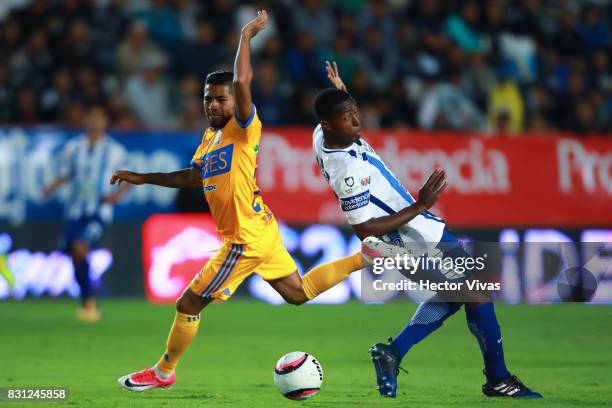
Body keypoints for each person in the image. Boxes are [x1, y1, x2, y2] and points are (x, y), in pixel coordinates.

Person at [112, 11, 392, 393]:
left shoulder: (243, 128)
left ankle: (163, 372)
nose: (213, 106)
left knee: (188, 304)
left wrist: (246, 35)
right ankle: (367, 256)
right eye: (208, 100)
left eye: (220, 100)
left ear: (234, 102)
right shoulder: (210, 140)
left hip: (242, 239)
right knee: (298, 293)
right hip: (260, 228)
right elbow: (193, 176)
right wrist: (142, 177)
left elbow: (243, 80)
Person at [311, 61, 542, 398]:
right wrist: (420, 205)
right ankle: (498, 379)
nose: (358, 121)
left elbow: (337, 112)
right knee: (476, 293)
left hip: (419, 233)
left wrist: (340, 90)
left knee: (459, 295)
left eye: (356, 112)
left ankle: (394, 352)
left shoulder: (322, 134)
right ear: (329, 123)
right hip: (408, 239)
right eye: (349, 117)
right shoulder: (346, 170)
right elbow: (365, 230)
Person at [43, 106, 130, 322]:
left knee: (80, 248)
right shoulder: (73, 148)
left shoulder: (115, 150)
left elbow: (128, 177)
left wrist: (117, 196)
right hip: (75, 209)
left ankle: (90, 298)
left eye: (99, 118)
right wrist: (50, 188)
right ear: (86, 121)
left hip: (99, 211)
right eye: (91, 117)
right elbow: (65, 174)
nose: (95, 122)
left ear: (105, 122)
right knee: (74, 256)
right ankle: (88, 300)